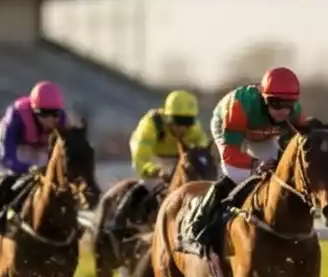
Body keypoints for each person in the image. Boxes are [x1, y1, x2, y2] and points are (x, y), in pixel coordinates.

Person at [189, 66, 310, 253]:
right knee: (236, 175)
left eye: (289, 104)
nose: (283, 112)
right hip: (230, 127)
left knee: (276, 173)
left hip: (262, 132)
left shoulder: (295, 113)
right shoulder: (240, 106)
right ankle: (200, 225)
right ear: (264, 98)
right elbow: (231, 153)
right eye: (276, 104)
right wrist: (254, 164)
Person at [0, 81, 68, 238]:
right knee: (13, 177)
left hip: (41, 146)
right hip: (18, 144)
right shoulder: (17, 116)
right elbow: (8, 157)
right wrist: (26, 168)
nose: (50, 120)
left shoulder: (62, 120)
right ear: (33, 111)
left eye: (54, 114)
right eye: (44, 114)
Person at [129, 89, 210, 182]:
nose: (182, 127)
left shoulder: (195, 127)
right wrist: (152, 170)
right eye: (178, 121)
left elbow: (203, 149)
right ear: (167, 118)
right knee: (150, 185)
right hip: (154, 160)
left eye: (187, 122)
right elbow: (140, 157)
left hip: (180, 160)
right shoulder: (151, 124)